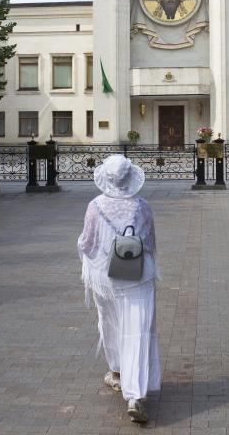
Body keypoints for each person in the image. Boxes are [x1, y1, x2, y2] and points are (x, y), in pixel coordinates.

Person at [77, 155, 160, 423]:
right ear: (129, 178)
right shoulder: (142, 206)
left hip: (105, 277)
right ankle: (134, 395)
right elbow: (149, 243)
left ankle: (117, 373)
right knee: (137, 331)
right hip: (137, 275)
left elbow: (87, 244)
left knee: (111, 325)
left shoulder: (95, 206)